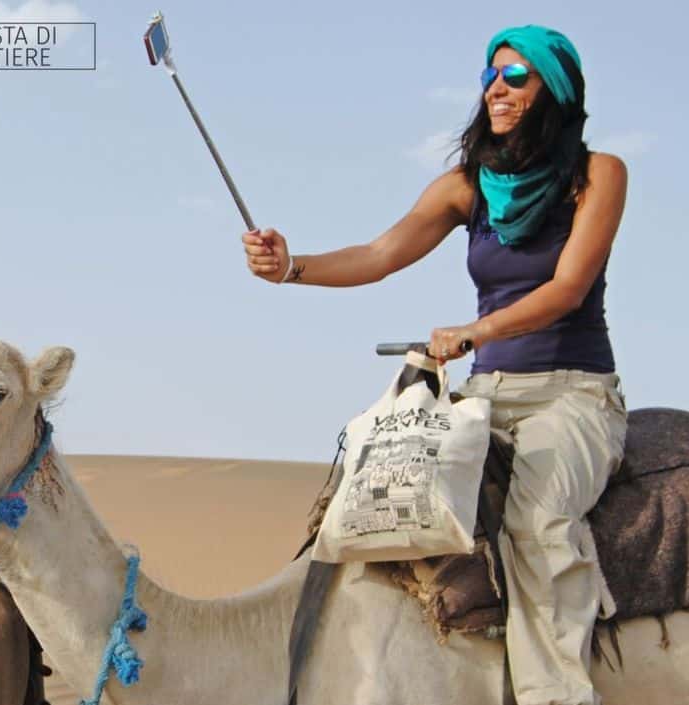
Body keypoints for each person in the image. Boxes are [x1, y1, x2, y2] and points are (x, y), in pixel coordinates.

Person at [242, 25, 627, 705]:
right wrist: (291, 268)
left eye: (517, 78)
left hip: (571, 396)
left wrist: (477, 330)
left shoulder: (598, 176)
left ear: (554, 91)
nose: (497, 90)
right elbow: (383, 251)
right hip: (484, 393)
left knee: (538, 520)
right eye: (491, 77)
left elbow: (567, 287)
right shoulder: (467, 186)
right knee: (380, 490)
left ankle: (556, 693)